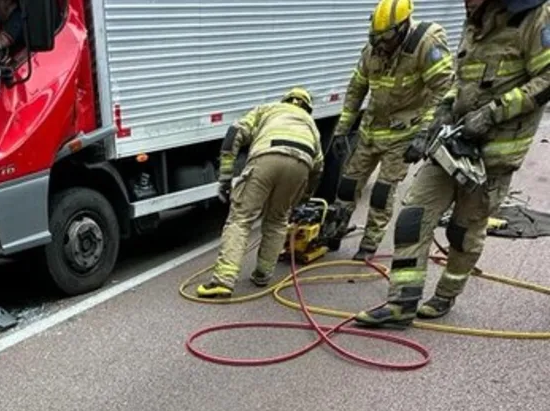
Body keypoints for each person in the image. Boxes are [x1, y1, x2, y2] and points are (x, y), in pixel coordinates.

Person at [356, 0, 550, 327]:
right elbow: (461, 82)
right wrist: (442, 113)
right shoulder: (475, 21)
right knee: (413, 215)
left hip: (494, 154)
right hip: (453, 145)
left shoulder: (534, 17)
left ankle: (445, 295)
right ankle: (401, 304)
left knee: (463, 231)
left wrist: (492, 113)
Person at [330, 0, 454, 261]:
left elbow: (444, 89)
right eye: (377, 39)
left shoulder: (426, 44)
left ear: (402, 28)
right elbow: (356, 88)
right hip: (371, 130)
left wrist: (424, 134)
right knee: (348, 184)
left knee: (382, 192)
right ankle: (333, 231)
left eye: (386, 39)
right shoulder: (373, 49)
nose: (381, 46)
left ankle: (369, 245)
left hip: (403, 135)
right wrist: (342, 129)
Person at [197, 88, 324, 298]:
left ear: (285, 100)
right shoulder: (311, 125)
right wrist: (304, 196)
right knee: (277, 220)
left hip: (267, 157)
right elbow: (318, 168)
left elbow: (234, 134)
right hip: (301, 164)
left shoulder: (268, 109)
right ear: (307, 107)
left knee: (240, 219)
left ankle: (223, 281)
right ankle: (263, 275)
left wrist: (225, 178)